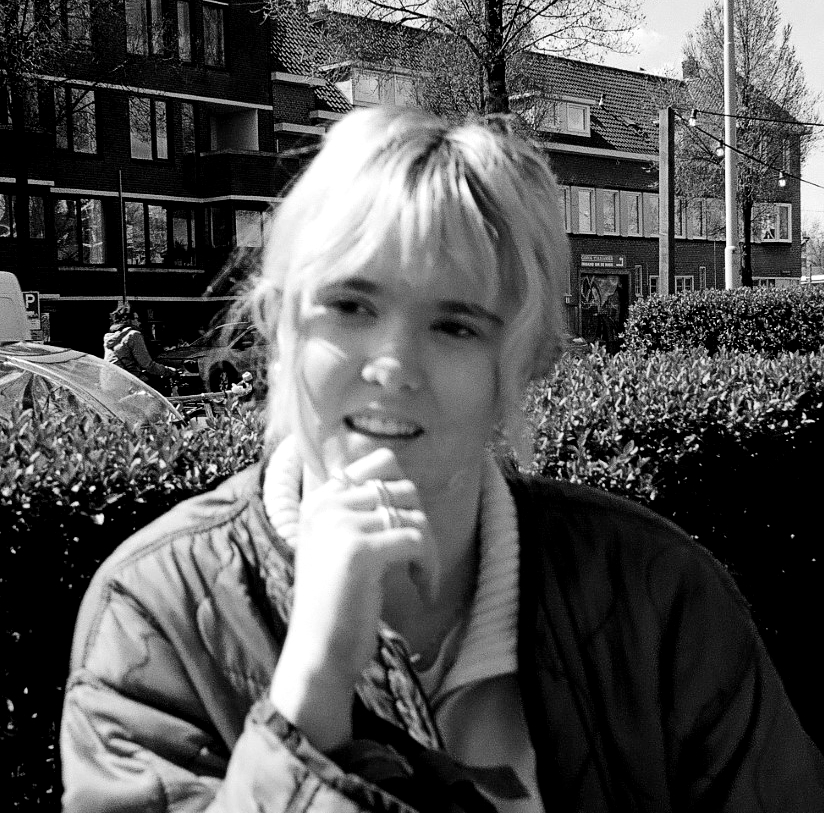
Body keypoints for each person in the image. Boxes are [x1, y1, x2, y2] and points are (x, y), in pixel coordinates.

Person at [61, 108, 824, 812]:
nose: (393, 363)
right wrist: (308, 694)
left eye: (455, 325)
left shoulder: (659, 598)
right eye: (351, 305)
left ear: (517, 366)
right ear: (279, 322)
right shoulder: (152, 619)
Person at [102, 306, 178, 389]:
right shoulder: (133, 335)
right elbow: (148, 365)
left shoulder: (109, 337)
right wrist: (170, 371)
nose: (139, 323)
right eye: (137, 319)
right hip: (126, 384)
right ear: (128, 320)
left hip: (109, 382)